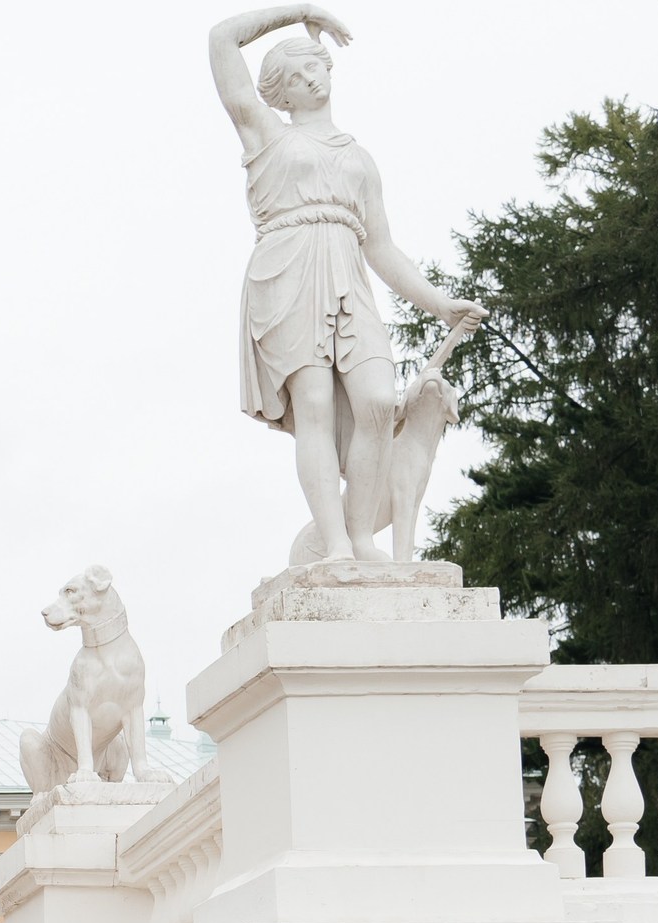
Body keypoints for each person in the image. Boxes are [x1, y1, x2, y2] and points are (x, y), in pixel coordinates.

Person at [209, 7, 483, 562]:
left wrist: (438, 303)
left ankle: (361, 535)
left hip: (348, 277)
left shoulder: (360, 159)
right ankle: (337, 544)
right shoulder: (265, 134)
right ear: (278, 96)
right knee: (313, 405)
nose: (308, 77)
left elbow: (381, 247)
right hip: (287, 271)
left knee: (380, 403)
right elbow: (220, 39)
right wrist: (300, 14)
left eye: (312, 65)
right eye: (291, 76)